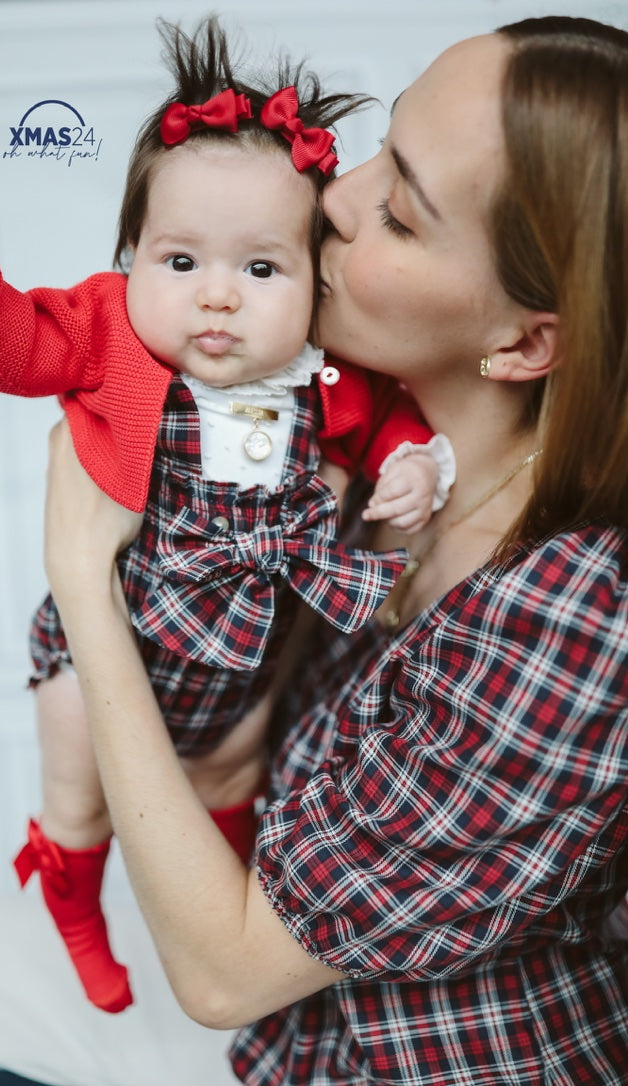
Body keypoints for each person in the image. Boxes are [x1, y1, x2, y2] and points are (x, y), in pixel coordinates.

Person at [36, 13, 627, 1085]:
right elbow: (233, 761)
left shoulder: (578, 613)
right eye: (380, 147)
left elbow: (223, 973)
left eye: (398, 214)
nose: (338, 199)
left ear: (524, 341)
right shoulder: (356, 450)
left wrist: (82, 577)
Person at [0, 19, 454, 1016]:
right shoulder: (111, 332)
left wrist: (413, 462)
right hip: (107, 638)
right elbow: (17, 349)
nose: (216, 300)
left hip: (245, 654)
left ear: (313, 283)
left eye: (259, 270)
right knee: (80, 782)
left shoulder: (327, 373)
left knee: (231, 774)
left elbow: (389, 426)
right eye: (180, 260)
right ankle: (74, 901)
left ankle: (240, 912)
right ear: (129, 256)